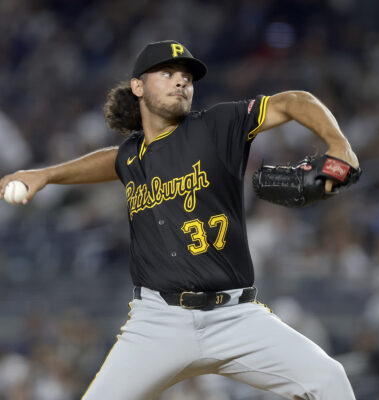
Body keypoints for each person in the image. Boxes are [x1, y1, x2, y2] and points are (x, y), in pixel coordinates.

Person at [0, 40, 359, 400]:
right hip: (157, 322)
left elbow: (294, 100)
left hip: (235, 316)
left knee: (329, 379)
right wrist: (45, 174)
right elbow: (110, 160)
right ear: (138, 87)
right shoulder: (131, 157)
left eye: (186, 77)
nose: (180, 82)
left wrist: (337, 143)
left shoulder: (218, 126)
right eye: (167, 73)